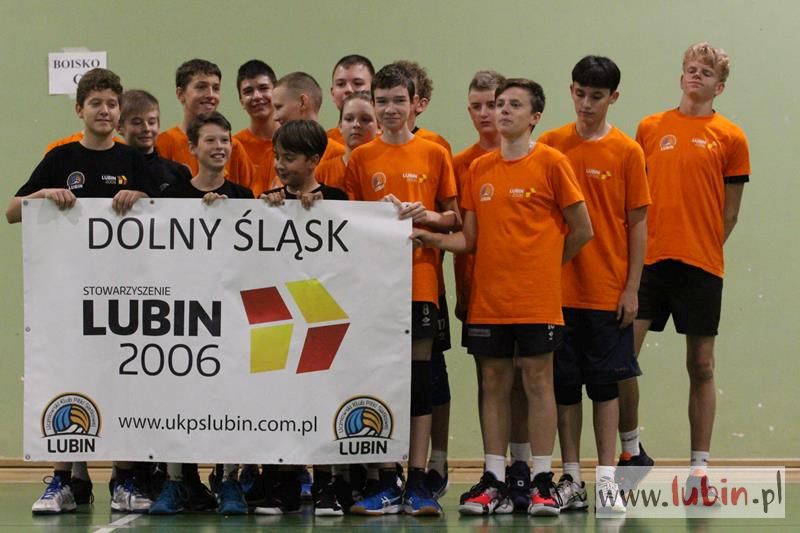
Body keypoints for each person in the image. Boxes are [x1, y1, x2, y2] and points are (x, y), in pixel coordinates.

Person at [412, 78, 593, 517]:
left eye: (514, 105)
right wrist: (429, 238)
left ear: (534, 117)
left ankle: (542, 479)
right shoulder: (479, 169)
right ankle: (494, 477)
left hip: (536, 301)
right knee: (493, 383)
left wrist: (546, 267)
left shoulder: (552, 163)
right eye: (499, 104)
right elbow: (469, 240)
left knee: (537, 382)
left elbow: (582, 229)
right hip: (489, 301)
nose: (503, 111)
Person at [5, 68, 152, 514]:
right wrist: (44, 196)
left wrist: (142, 198)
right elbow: (12, 211)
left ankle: (124, 478)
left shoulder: (133, 161)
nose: (105, 111)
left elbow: (167, 213)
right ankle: (65, 480)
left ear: (119, 111)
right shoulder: (59, 158)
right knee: (69, 378)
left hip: (124, 296)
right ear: (79, 110)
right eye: (96, 103)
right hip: (70, 297)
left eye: (112, 104)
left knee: (122, 379)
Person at [619, 42, 750, 490]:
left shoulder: (731, 137)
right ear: (681, 77)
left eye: (706, 72)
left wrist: (700, 246)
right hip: (649, 265)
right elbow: (634, 201)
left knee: (702, 365)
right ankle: (632, 450)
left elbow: (730, 213)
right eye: (691, 69)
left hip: (701, 266)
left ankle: (699, 469)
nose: (696, 76)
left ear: (720, 87)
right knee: (621, 361)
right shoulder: (650, 128)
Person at [345, 64, 460, 517]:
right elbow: (348, 223)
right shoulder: (361, 158)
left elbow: (454, 219)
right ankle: (386, 478)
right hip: (375, 286)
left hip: (420, 283)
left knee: (419, 379)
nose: (390, 109)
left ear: (415, 104)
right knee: (379, 377)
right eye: (382, 101)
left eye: (398, 100)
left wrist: (425, 216)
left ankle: (417, 480)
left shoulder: (434, 153)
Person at [538, 55, 650, 513]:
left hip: (606, 291)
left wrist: (632, 288)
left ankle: (607, 479)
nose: (586, 103)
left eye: (597, 96)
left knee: (605, 388)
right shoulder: (550, 145)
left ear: (613, 98)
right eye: (580, 93)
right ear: (571, 91)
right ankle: (572, 477)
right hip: (557, 293)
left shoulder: (628, 151)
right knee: (564, 387)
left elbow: (638, 224)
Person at [155, 59, 255, 193]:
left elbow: (249, 198)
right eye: (201, 87)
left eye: (216, 88)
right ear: (180, 94)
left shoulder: (234, 147)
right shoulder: (163, 143)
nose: (211, 95)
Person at [272, 71, 346, 164]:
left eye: (279, 107)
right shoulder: (275, 156)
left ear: (302, 102)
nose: (275, 117)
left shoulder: (340, 156)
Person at [315, 92, 379, 190]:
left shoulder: (387, 169)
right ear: (340, 126)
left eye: (365, 119)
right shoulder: (322, 172)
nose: (356, 124)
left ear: (379, 126)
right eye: (349, 119)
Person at [234, 59, 280, 196]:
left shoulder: (295, 142)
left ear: (276, 92)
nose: (257, 96)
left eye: (263, 88)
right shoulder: (233, 146)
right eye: (248, 91)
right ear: (241, 101)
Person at [327, 54, 374, 144]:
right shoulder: (324, 143)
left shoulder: (391, 141)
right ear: (332, 93)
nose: (348, 89)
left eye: (357, 83)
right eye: (341, 84)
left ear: (374, 90)